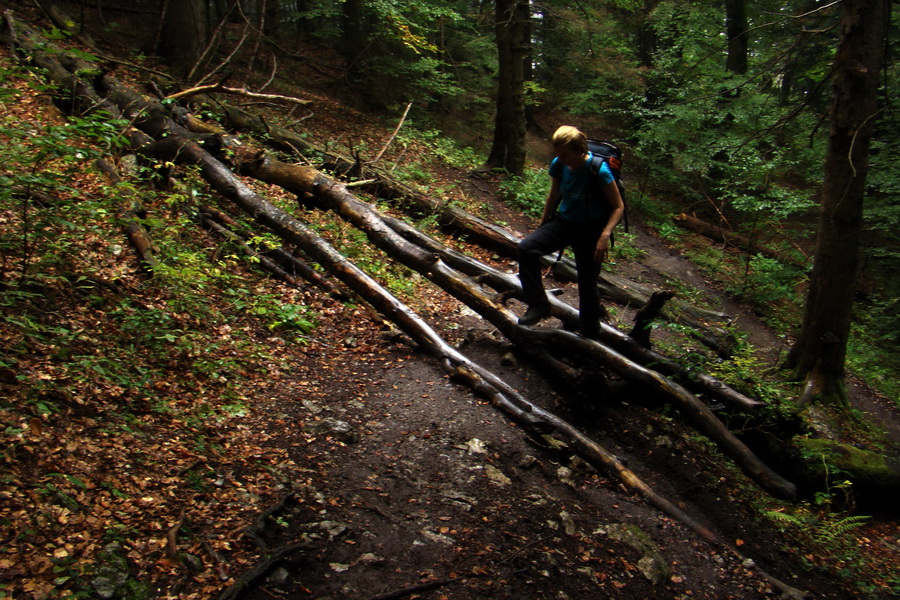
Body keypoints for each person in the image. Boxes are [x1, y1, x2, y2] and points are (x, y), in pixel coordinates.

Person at [516, 125, 625, 338]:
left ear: (579, 150)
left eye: (565, 155)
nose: (561, 159)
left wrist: (604, 236)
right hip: (565, 223)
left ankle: (590, 333)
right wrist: (544, 223)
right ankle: (539, 306)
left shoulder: (598, 170)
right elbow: (554, 193)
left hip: (591, 230)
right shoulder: (560, 164)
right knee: (526, 249)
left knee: (587, 282)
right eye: (558, 155)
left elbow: (618, 207)